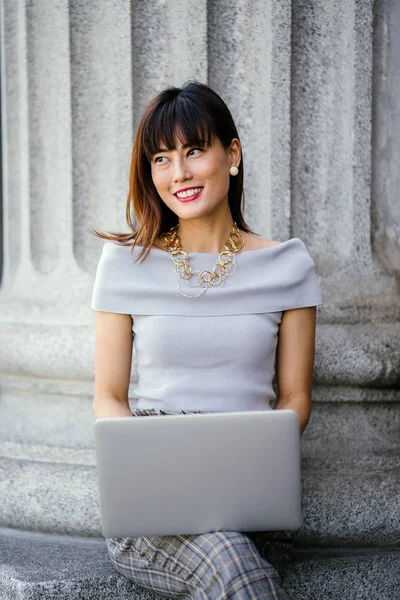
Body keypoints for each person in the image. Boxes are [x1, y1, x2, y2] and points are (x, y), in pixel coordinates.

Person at [90, 80, 323, 599]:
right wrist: (148, 464)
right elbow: (108, 396)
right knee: (234, 568)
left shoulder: (286, 266)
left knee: (234, 555)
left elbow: (296, 397)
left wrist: (246, 456)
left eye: (195, 150)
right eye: (162, 158)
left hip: (251, 503)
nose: (180, 174)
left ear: (232, 154)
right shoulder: (126, 267)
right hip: (153, 512)